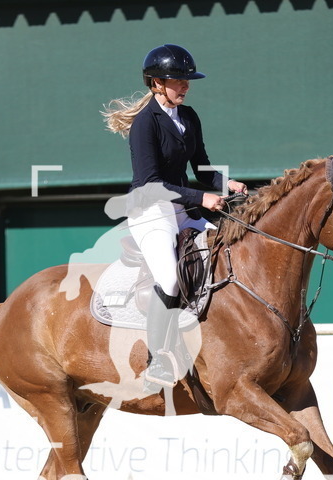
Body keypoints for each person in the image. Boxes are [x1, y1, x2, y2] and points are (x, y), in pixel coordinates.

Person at [102, 44, 247, 390]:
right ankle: (157, 358)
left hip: (181, 208)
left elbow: (203, 168)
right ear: (155, 83)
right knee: (168, 279)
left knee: (226, 250)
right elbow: (151, 184)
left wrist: (229, 183)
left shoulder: (189, 116)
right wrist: (203, 197)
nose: (185, 86)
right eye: (177, 80)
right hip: (150, 211)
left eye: (187, 80)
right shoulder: (144, 124)